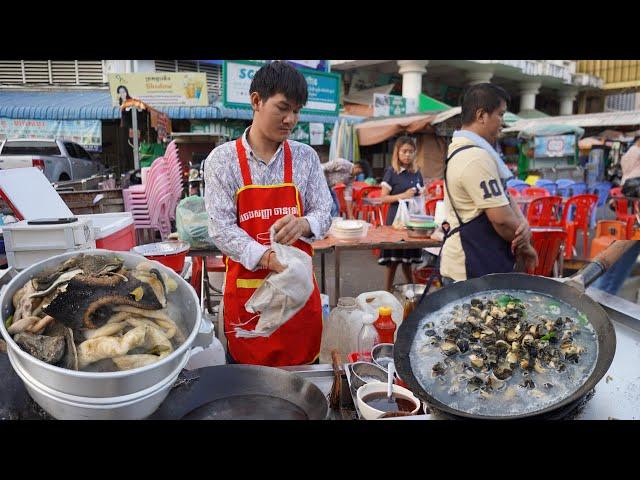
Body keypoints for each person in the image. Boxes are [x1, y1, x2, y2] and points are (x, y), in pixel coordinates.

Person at [203, 61, 333, 367]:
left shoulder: (305, 158)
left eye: (297, 111)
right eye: (283, 108)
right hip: (249, 303)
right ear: (256, 101)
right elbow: (221, 229)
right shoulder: (222, 161)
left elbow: (325, 213)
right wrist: (268, 259)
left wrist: (304, 223)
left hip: (299, 299)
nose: (291, 120)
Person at [440, 83, 537, 285]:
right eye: (500, 114)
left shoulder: (470, 151)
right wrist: (526, 244)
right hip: (468, 269)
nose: (502, 122)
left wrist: (522, 224)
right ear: (481, 115)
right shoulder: (474, 157)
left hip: (478, 263)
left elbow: (505, 196)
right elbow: (501, 219)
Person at [593, 137, 640, 295]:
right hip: (632, 213)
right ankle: (601, 296)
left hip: (629, 211)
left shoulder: (629, 153)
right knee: (614, 273)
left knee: (616, 270)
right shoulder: (634, 153)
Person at [378, 136, 425, 291]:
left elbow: (422, 192)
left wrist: (419, 193)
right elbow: (383, 198)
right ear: (397, 153)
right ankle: (386, 292)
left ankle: (412, 292)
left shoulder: (417, 173)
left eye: (411, 152)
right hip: (395, 221)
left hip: (411, 220)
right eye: (404, 151)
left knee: (407, 260)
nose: (407, 155)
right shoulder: (391, 173)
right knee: (393, 262)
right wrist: (402, 196)